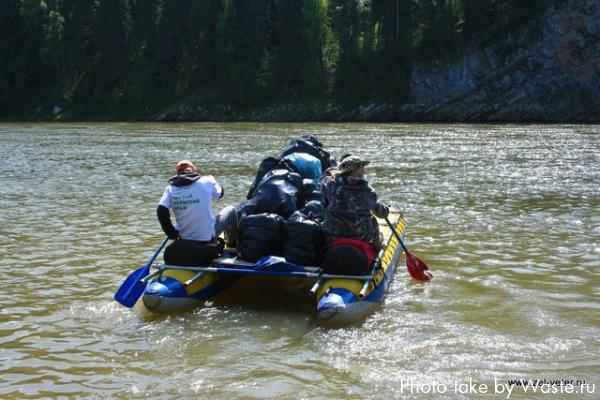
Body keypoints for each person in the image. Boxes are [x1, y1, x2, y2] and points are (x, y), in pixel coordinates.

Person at [157, 160, 238, 264]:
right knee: (231, 210)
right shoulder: (208, 180)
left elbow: (161, 211)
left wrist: (171, 234)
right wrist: (216, 183)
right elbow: (220, 194)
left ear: (178, 174)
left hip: (183, 238)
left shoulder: (170, 188)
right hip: (206, 239)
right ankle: (232, 244)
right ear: (194, 170)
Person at [320, 155, 389, 248]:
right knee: (373, 219)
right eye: (362, 167)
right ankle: (378, 245)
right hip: (360, 236)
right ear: (357, 170)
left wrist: (334, 171)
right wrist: (385, 209)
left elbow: (322, 180)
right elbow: (382, 213)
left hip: (333, 234)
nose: (364, 170)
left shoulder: (331, 184)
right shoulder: (367, 191)